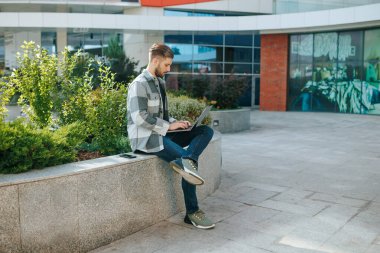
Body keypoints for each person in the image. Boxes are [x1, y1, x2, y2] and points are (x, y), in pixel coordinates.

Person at [126, 43, 215, 229]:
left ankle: (188, 160)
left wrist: (178, 124)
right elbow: (139, 117)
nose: (169, 69)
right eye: (166, 65)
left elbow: (162, 117)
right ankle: (192, 213)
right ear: (155, 60)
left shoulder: (159, 82)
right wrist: (168, 126)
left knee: (205, 131)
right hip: (146, 139)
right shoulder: (138, 84)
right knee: (186, 163)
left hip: (162, 133)